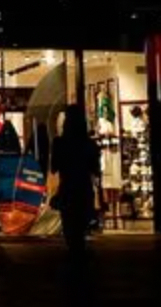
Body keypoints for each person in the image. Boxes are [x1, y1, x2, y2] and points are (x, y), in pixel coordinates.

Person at [51, 104, 100, 254]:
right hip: (84, 187)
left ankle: (74, 251)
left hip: (67, 187)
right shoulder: (89, 144)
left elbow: (54, 167)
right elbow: (95, 169)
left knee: (69, 223)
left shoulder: (59, 143)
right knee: (81, 224)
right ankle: (80, 250)